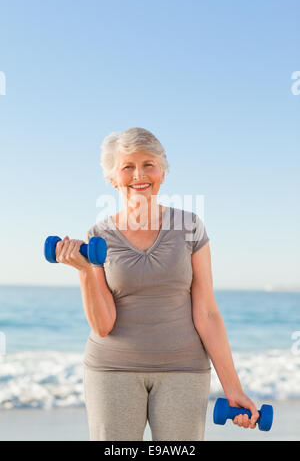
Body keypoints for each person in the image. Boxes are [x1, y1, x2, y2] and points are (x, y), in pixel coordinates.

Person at [55, 127, 260, 441]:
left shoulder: (190, 227)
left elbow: (206, 312)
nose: (139, 174)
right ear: (112, 178)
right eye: (128, 166)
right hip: (112, 370)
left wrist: (233, 388)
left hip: (184, 370)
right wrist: (84, 272)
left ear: (162, 172)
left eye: (148, 164)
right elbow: (103, 325)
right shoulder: (99, 235)